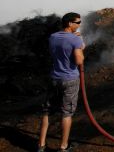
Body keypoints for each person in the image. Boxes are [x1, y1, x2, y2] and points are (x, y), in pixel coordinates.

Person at [37, 13, 85, 152]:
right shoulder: (75, 40)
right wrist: (80, 45)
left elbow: (60, 51)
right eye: (78, 22)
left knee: (47, 111)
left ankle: (41, 145)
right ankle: (63, 147)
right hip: (69, 79)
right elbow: (79, 61)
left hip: (54, 78)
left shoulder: (53, 37)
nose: (79, 24)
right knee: (67, 113)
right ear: (70, 23)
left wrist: (77, 43)